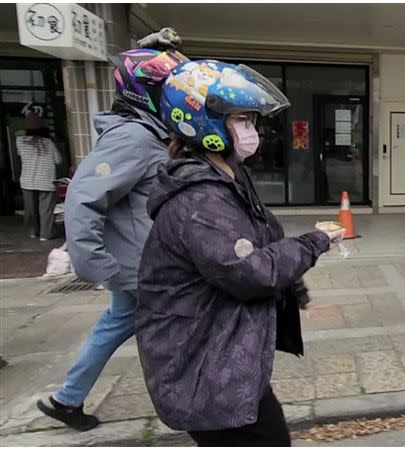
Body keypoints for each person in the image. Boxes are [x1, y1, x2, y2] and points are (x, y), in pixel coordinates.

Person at [136, 59, 344, 447]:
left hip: (222, 354)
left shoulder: (225, 173)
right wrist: (314, 243)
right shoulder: (200, 201)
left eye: (251, 120)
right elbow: (249, 271)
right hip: (202, 365)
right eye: (242, 120)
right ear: (205, 123)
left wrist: (293, 287)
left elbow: (263, 232)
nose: (252, 131)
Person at [36, 37, 187, 431]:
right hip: (142, 265)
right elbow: (83, 198)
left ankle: (66, 398)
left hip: (140, 259)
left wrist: (150, 50)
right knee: (180, 328)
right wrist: (95, 264)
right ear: (145, 95)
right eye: (165, 90)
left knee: (116, 325)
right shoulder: (133, 138)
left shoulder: (145, 132)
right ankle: (192, 404)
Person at [16, 113, 62, 241]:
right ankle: (45, 235)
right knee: (46, 209)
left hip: (27, 181)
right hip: (46, 181)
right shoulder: (48, 142)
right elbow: (58, 160)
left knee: (31, 209)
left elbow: (20, 155)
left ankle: (33, 232)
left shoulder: (19, 141)